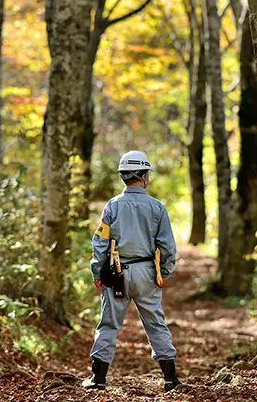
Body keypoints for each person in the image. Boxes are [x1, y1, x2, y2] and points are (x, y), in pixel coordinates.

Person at [82, 150, 181, 392]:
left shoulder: (112, 206)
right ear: (144, 175)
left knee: (108, 324)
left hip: (116, 273)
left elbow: (100, 243)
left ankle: (98, 379)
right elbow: (167, 246)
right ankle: (170, 378)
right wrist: (164, 273)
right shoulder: (157, 208)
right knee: (155, 323)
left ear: (123, 176)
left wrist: (97, 272)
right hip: (147, 272)